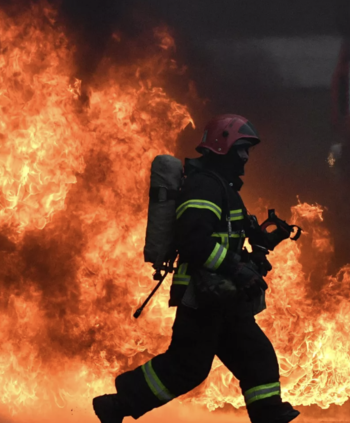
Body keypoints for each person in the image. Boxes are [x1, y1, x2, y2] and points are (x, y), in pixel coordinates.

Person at [93, 114, 300, 423]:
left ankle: (269, 415)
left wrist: (256, 249)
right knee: (187, 367)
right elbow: (194, 241)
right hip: (203, 297)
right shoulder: (204, 187)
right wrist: (237, 269)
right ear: (221, 146)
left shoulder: (223, 189)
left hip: (222, 298)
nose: (245, 157)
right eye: (241, 148)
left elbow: (223, 237)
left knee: (256, 357)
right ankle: (118, 404)